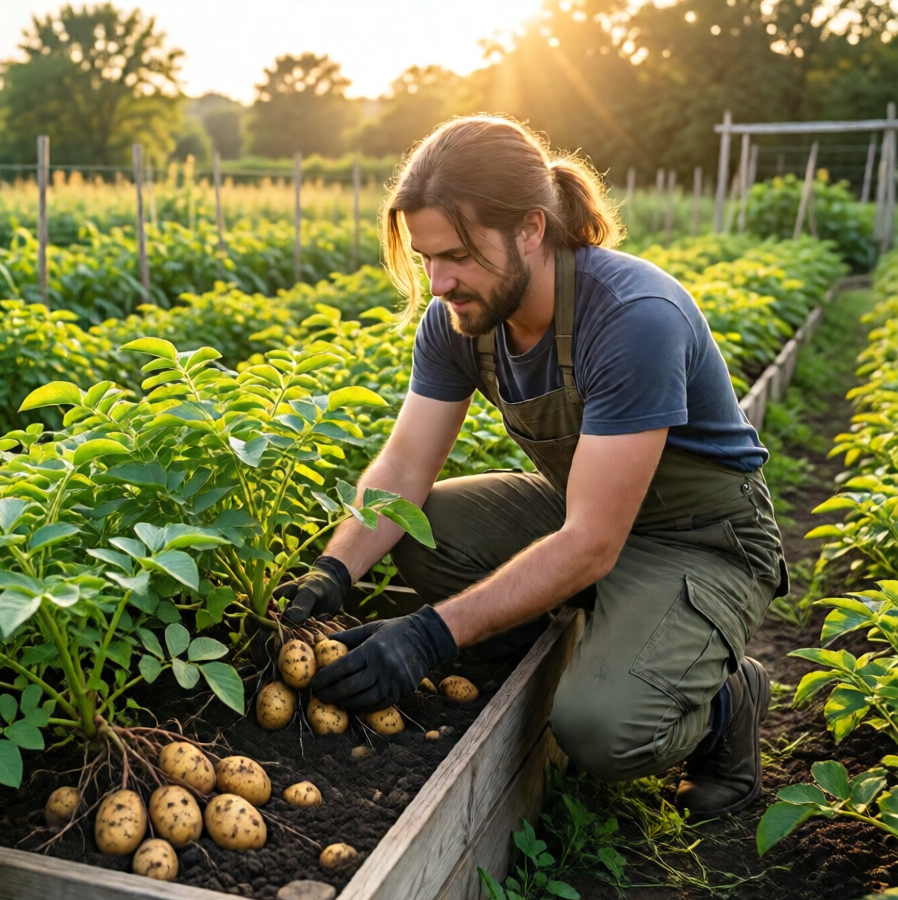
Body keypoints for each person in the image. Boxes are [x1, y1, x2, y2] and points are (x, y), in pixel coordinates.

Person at [277, 115, 787, 818]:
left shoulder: (633, 317)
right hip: (585, 509)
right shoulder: (459, 318)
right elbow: (402, 465)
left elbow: (592, 543)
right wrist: (332, 570)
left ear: (530, 229)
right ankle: (601, 639)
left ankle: (727, 702)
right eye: (426, 258)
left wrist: (433, 633)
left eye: (456, 255)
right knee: (420, 526)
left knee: (600, 730)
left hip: (699, 541)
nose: (438, 281)